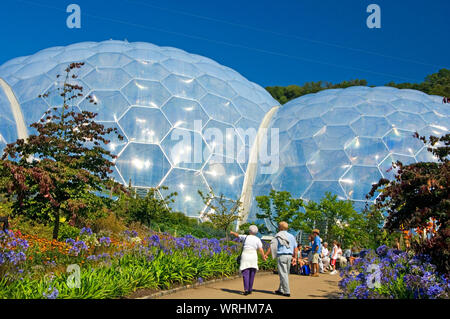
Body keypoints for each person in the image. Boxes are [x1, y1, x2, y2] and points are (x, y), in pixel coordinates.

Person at [230, 225, 267, 295]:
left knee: (246, 273)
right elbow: (261, 249)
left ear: (249, 231)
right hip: (253, 256)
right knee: (252, 273)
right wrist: (263, 257)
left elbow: (237, 235)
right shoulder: (258, 239)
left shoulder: (245, 237)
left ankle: (246, 289)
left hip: (245, 256)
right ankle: (250, 289)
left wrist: (232, 232)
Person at [264, 221, 298, 297]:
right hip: (289, 256)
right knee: (285, 273)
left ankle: (287, 291)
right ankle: (281, 289)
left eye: (279, 226)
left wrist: (266, 254)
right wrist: (295, 257)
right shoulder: (292, 236)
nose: (278, 227)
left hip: (282, 256)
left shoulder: (278, 235)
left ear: (281, 228)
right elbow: (296, 248)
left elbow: (272, 246)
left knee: (283, 274)